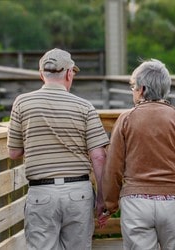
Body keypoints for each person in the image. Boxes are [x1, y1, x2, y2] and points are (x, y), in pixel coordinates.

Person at [98, 59, 175, 250]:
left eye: (133, 87)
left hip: (136, 203)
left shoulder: (126, 119)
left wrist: (109, 205)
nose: (133, 91)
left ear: (141, 89)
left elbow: (113, 168)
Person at [7, 48, 109, 250]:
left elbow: (14, 152)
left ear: (41, 74)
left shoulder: (22, 103)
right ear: (69, 74)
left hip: (41, 192)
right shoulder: (85, 107)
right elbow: (98, 157)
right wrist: (102, 198)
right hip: (78, 193)